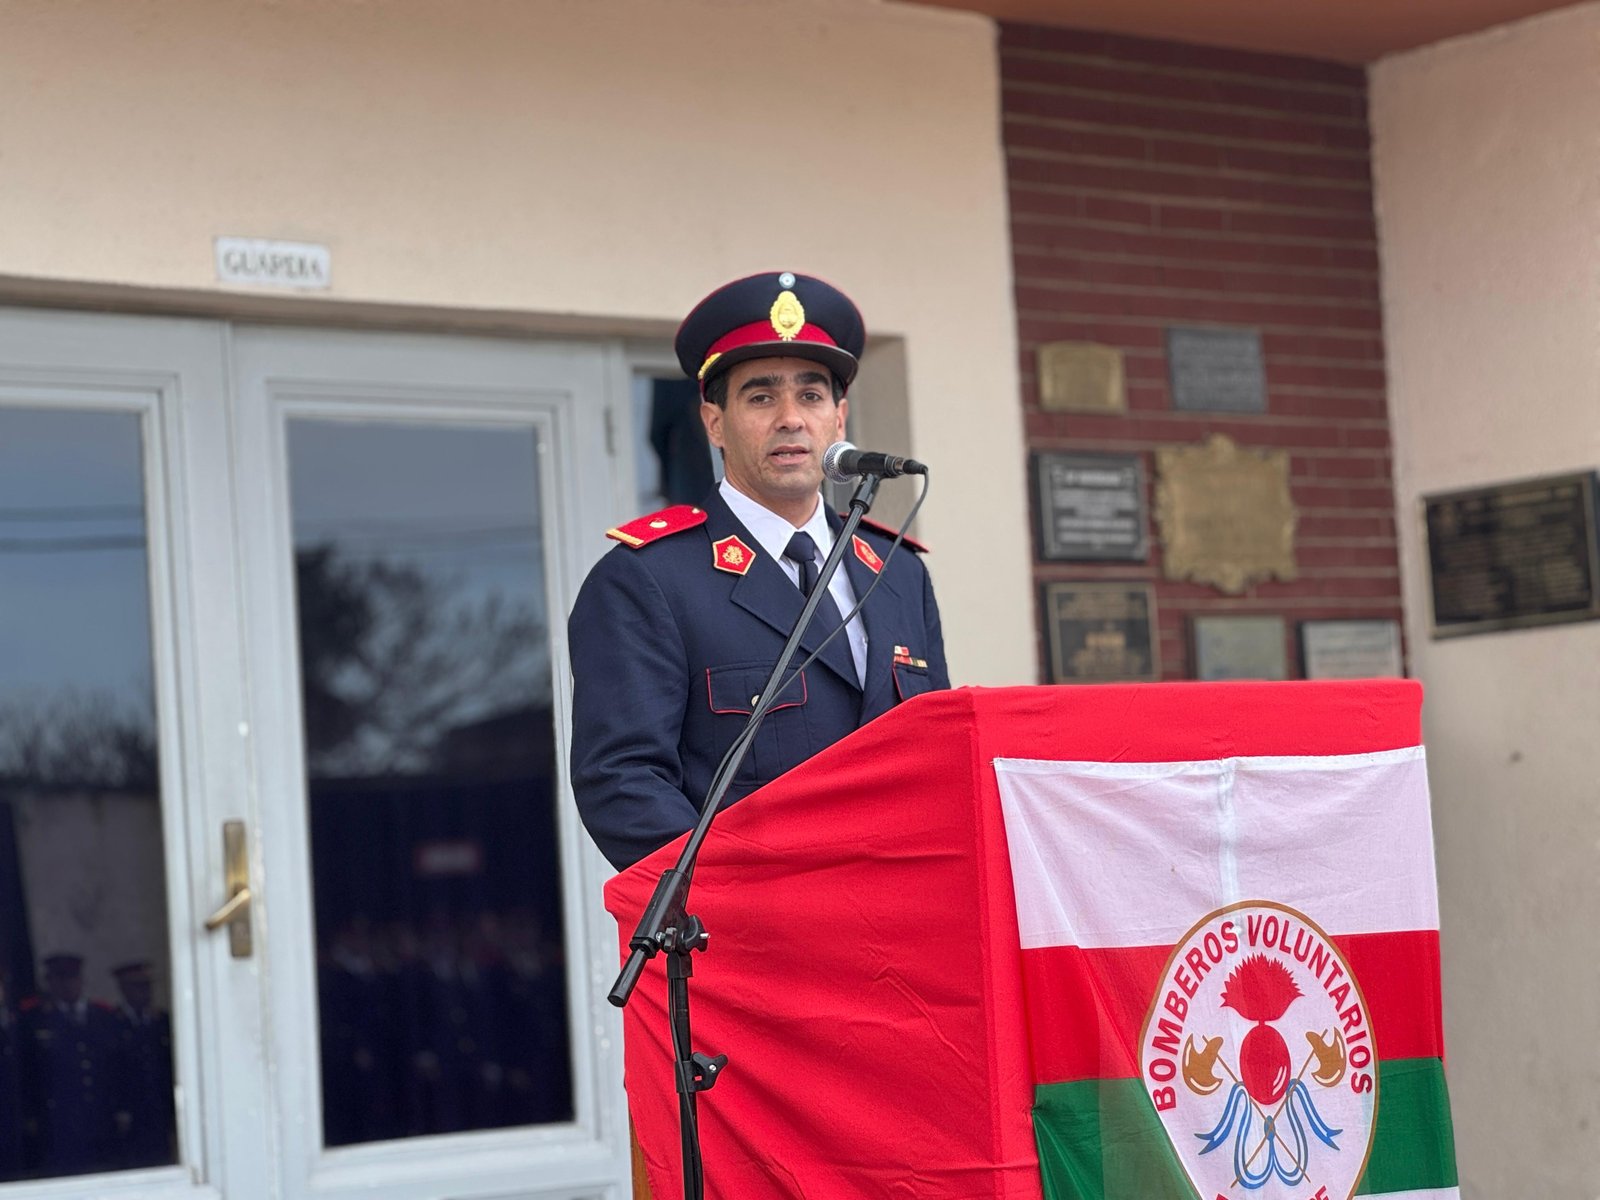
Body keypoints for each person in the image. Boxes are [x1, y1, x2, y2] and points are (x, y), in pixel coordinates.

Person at [568, 270, 950, 870]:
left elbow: (938, 755)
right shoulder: (649, 579)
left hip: (901, 907)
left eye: (811, 396)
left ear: (839, 418)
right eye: (761, 397)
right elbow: (623, 782)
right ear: (714, 423)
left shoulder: (899, 571)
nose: (791, 418)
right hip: (752, 919)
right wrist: (735, 901)